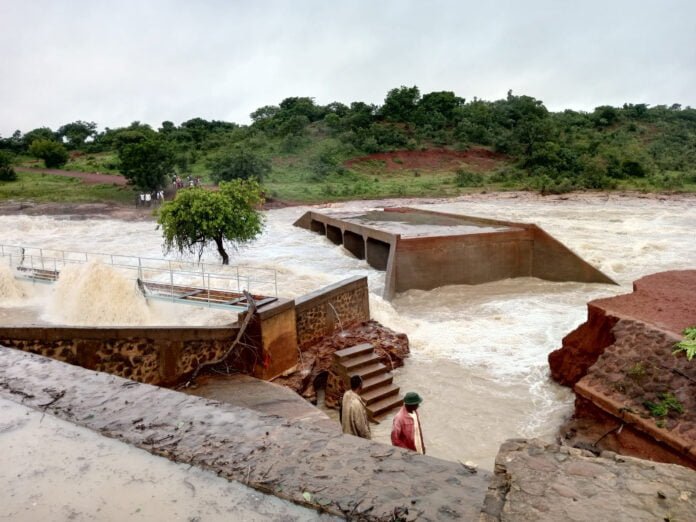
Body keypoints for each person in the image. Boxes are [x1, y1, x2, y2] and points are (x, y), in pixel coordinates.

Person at [341, 375, 371, 439]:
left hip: (346, 434)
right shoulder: (357, 404)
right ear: (360, 385)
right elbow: (361, 427)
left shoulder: (346, 395)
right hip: (355, 439)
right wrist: (369, 439)